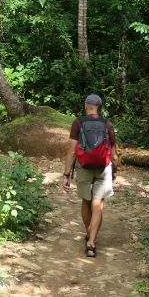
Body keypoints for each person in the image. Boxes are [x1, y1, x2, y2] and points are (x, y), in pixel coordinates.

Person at [61, 93, 119, 257]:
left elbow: (72, 151)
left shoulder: (78, 123)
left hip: (84, 167)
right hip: (103, 167)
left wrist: (66, 174)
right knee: (98, 204)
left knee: (86, 202)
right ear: (99, 107)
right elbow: (114, 154)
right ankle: (91, 243)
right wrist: (114, 170)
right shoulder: (107, 124)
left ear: (86, 105)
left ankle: (89, 234)